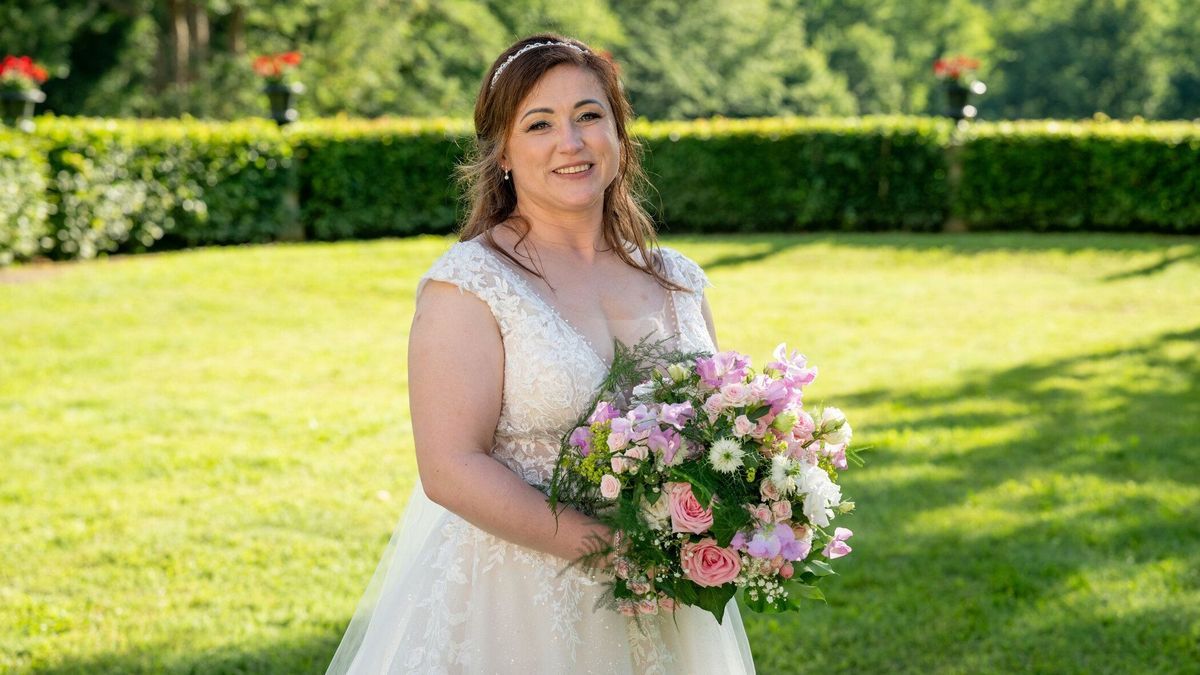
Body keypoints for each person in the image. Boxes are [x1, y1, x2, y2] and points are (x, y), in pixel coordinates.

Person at [326, 33, 755, 674]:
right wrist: (610, 550)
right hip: (519, 607)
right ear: (502, 151)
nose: (571, 143)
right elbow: (450, 466)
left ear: (619, 133)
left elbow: (718, 430)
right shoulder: (469, 285)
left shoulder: (678, 281)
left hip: (670, 602)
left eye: (589, 116)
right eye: (539, 124)